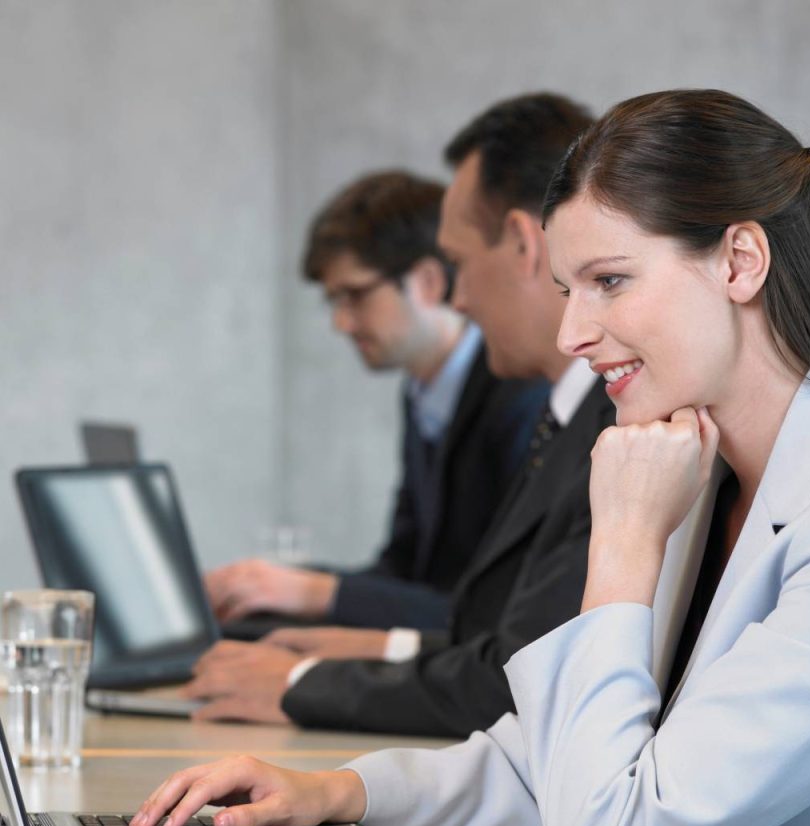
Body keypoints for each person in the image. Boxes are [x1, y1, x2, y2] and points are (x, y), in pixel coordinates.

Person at [132, 89, 810, 826]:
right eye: (568, 290)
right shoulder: (701, 474)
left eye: (610, 282)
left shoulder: (705, 501)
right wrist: (335, 790)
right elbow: (553, 758)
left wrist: (621, 546)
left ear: (740, 259)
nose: (575, 333)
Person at [179, 93, 609, 735]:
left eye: (459, 265)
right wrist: (357, 647)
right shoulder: (555, 410)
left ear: (523, 244)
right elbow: (485, 630)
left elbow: (514, 673)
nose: (460, 297)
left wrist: (306, 677)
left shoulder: (588, 422)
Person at [207, 171, 548, 633]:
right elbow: (404, 569)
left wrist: (311, 592)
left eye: (355, 296)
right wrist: (273, 588)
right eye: (333, 302)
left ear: (428, 281)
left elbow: (493, 614)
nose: (341, 323)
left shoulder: (522, 398)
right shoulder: (422, 394)